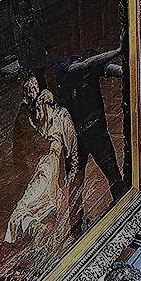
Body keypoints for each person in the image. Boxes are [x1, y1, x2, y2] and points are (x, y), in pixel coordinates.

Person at [5, 78, 81, 245]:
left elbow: (73, 153)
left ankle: (36, 229)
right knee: (29, 209)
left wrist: (69, 180)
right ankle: (37, 229)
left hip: (48, 175)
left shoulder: (61, 118)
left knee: (21, 211)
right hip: (41, 174)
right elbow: (19, 151)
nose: (37, 111)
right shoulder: (29, 120)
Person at [54, 47, 126, 203]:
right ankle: (76, 219)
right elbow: (87, 65)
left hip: (96, 132)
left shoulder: (89, 62)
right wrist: (119, 50)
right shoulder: (62, 68)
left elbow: (108, 69)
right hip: (76, 140)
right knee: (75, 187)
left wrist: (126, 71)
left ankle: (121, 204)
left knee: (114, 176)